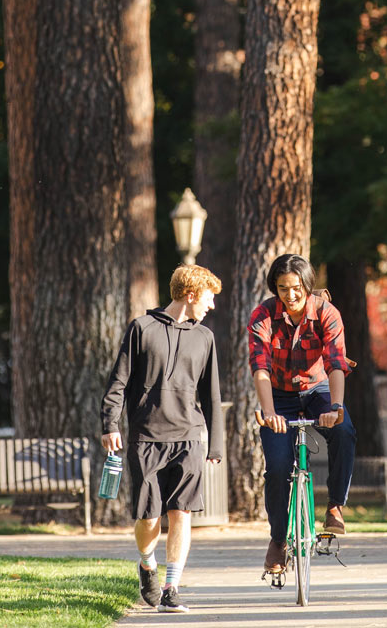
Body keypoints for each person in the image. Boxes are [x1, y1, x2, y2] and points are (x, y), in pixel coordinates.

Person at [100, 264, 225, 613]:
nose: (211, 306)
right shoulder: (141, 328)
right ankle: (147, 563)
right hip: (147, 437)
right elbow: (118, 383)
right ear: (191, 294)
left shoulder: (205, 338)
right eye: (209, 298)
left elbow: (211, 395)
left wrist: (214, 444)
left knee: (181, 513)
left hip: (189, 438)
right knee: (149, 518)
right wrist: (110, 424)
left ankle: (171, 586)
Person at [250, 253, 357, 574]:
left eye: (296, 287)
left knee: (344, 430)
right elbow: (260, 367)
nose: (290, 294)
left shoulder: (327, 313)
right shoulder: (263, 315)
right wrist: (269, 412)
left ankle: (335, 506)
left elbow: (336, 362)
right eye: (283, 288)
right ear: (275, 288)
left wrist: (336, 408)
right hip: (278, 395)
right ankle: (278, 540)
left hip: (318, 389)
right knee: (278, 466)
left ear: (307, 285)